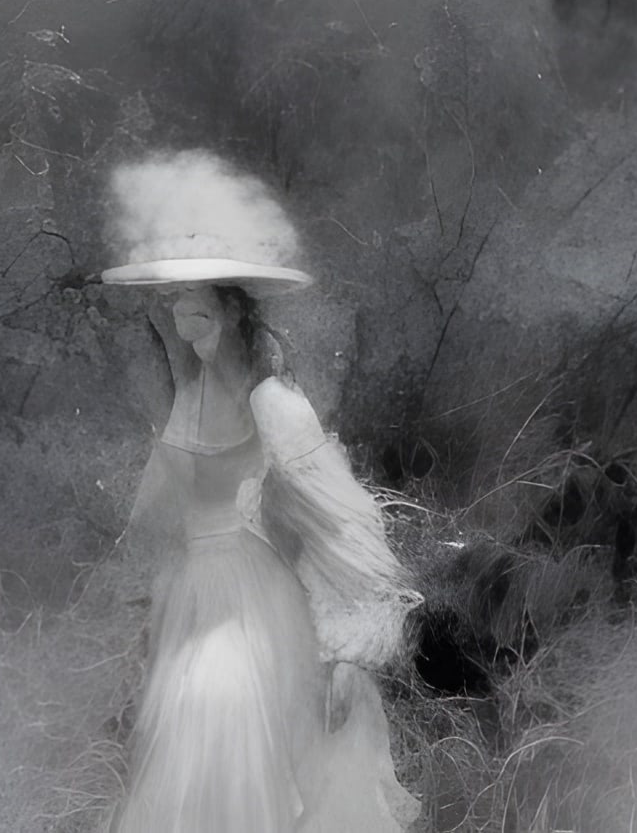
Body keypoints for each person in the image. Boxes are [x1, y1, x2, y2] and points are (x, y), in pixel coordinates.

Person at [99, 152, 419, 833]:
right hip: (188, 594)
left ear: (236, 314)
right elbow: (152, 512)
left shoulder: (274, 403)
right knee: (181, 751)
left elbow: (342, 528)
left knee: (223, 719)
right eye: (179, 316)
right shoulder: (187, 396)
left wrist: (345, 653)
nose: (187, 331)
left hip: (251, 602)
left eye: (201, 316)